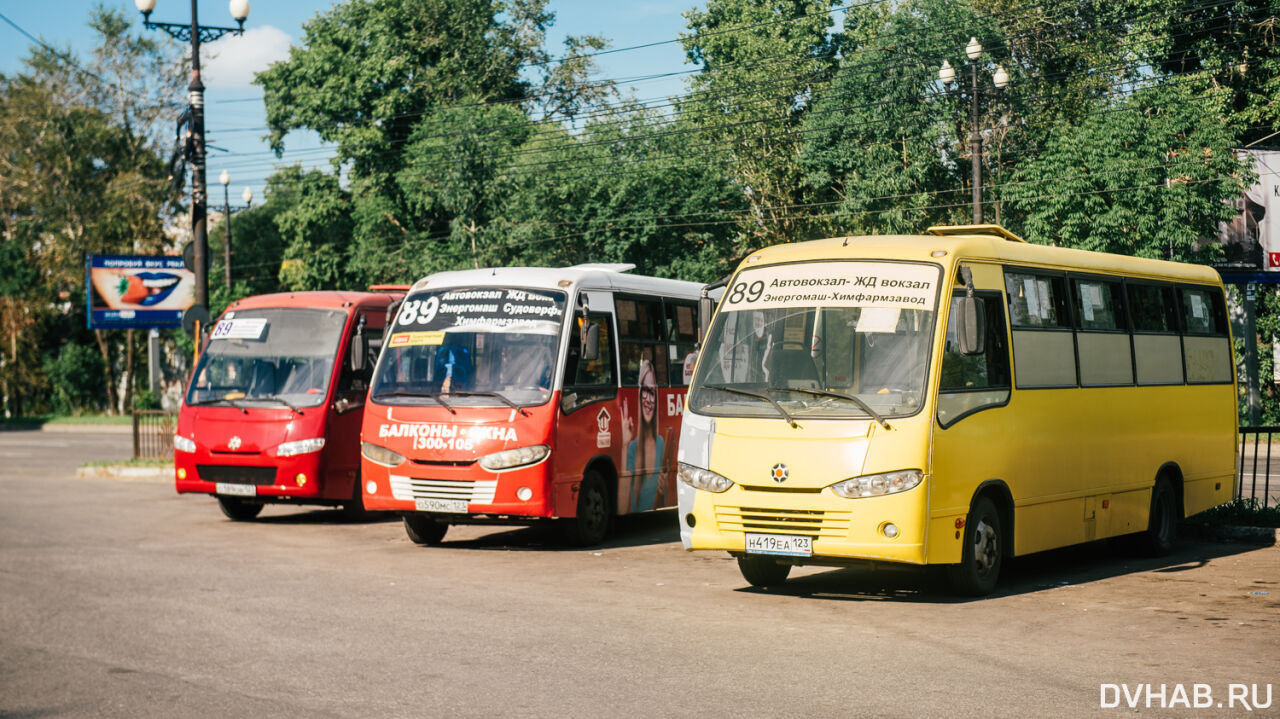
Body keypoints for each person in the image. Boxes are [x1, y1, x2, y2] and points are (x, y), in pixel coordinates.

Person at [623, 358, 665, 512]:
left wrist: (664, 490)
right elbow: (622, 505)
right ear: (639, 396)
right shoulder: (632, 448)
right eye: (645, 392)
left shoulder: (661, 443)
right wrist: (624, 446)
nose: (649, 400)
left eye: (652, 392)